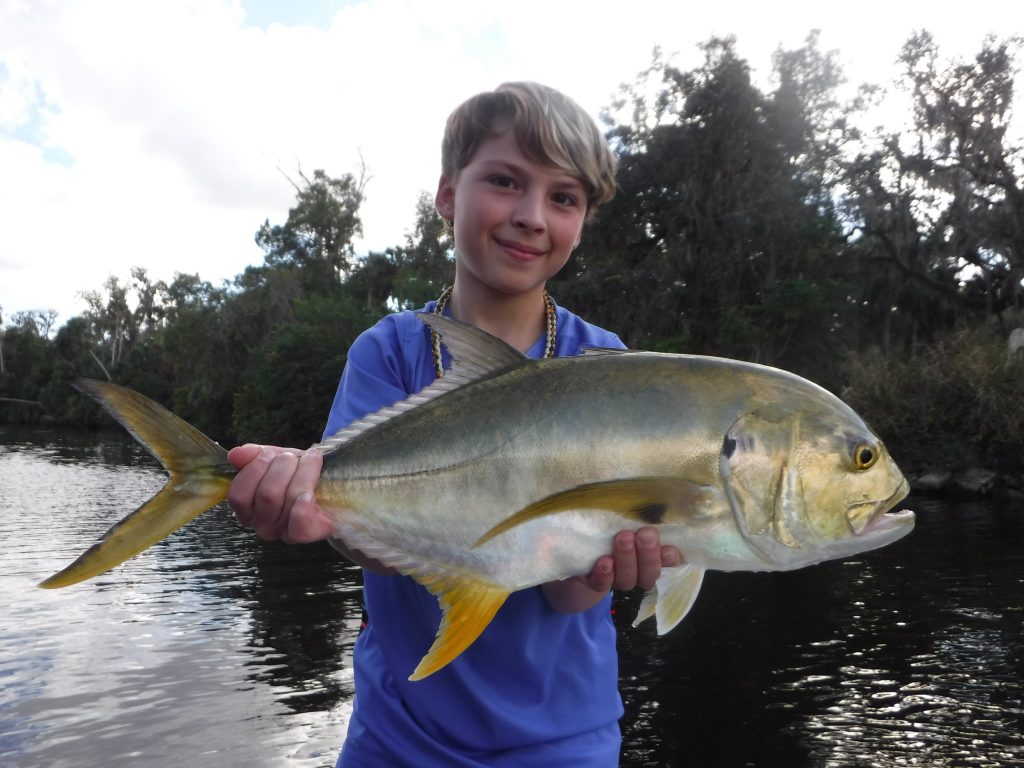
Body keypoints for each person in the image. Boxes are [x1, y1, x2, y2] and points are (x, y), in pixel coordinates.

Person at [227, 81, 683, 767]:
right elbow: (360, 535)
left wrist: (604, 568)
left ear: (583, 219)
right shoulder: (388, 351)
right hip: (396, 737)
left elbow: (565, 593)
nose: (532, 216)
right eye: (505, 181)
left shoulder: (607, 369)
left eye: (563, 197)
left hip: (561, 742)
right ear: (447, 195)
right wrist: (311, 507)